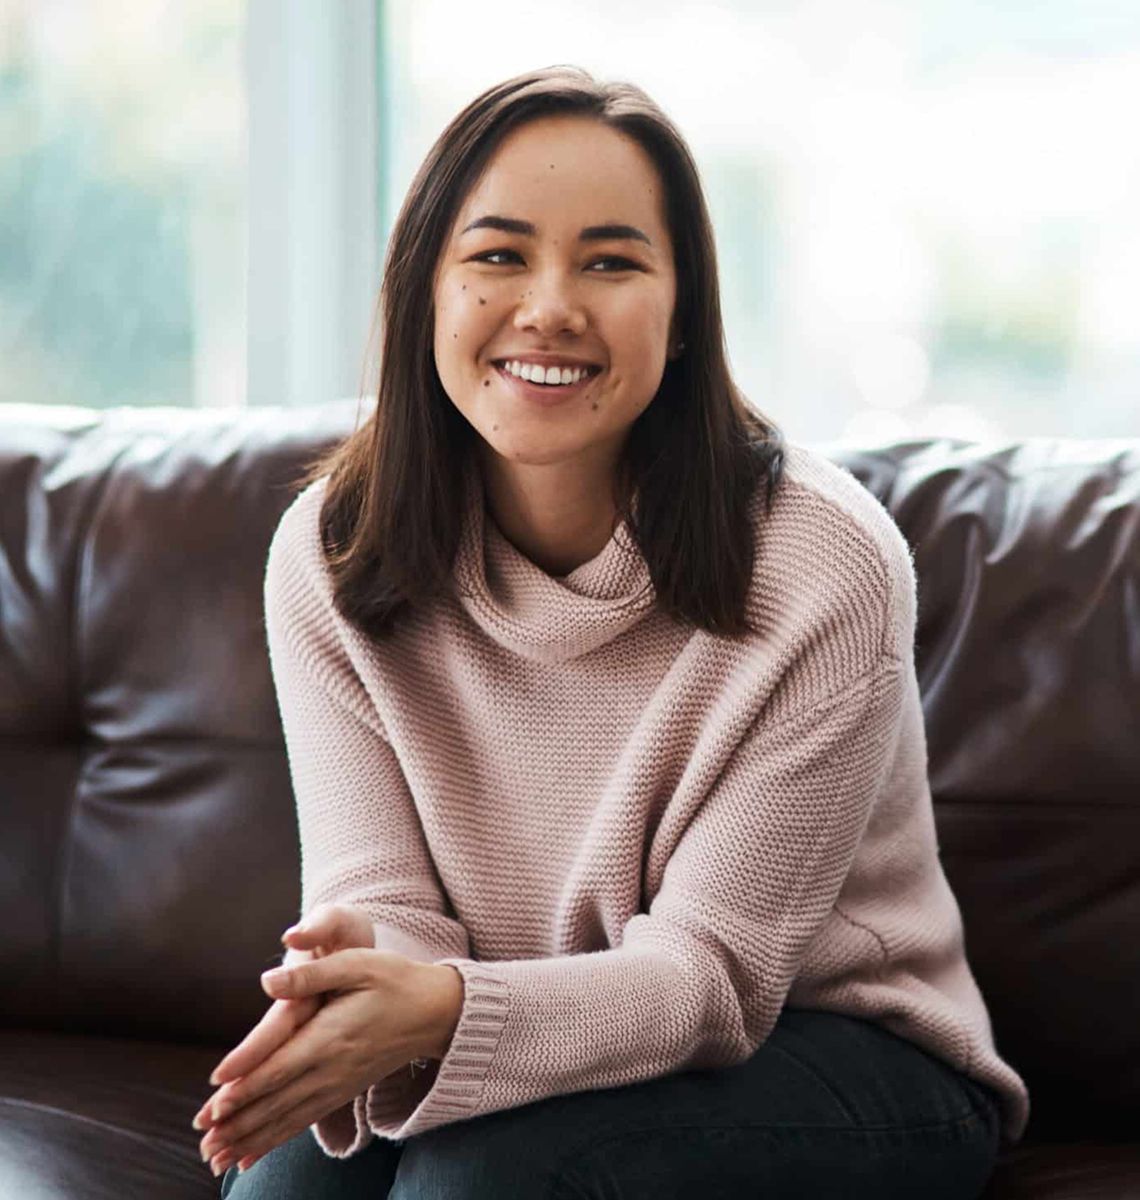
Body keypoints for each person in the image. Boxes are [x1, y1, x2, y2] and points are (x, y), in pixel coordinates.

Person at [192, 64, 1029, 1198]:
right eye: (498, 256)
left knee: (485, 1177)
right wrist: (356, 992)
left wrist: (440, 1010)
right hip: (511, 1025)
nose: (550, 307)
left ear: (683, 317)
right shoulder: (333, 549)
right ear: (425, 292)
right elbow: (383, 900)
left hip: (840, 1050)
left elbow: (714, 979)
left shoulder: (824, 565)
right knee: (294, 1180)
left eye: (611, 262)